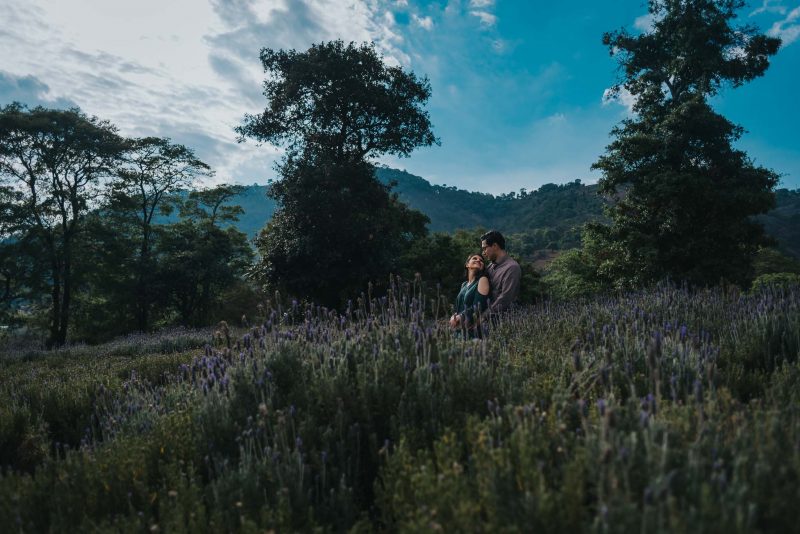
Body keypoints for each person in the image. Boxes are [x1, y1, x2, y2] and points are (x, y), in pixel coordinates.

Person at [480, 230, 521, 315]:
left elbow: (505, 298)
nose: (483, 253)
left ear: (495, 246)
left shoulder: (512, 268)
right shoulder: (490, 267)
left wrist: (483, 317)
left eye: (485, 248)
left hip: (502, 319)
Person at [449, 253, 490, 337]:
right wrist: (453, 317)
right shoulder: (464, 285)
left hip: (472, 329)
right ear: (467, 264)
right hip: (458, 327)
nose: (478, 260)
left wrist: (461, 316)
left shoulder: (482, 280)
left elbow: (478, 307)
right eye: (474, 258)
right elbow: (458, 307)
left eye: (481, 260)